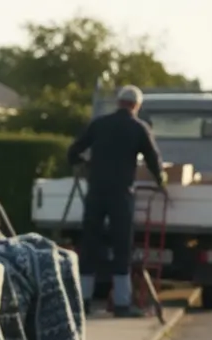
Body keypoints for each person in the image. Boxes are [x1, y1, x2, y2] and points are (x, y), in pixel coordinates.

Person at [67, 84, 166, 318]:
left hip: (96, 191)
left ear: (118, 102)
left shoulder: (99, 124)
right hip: (121, 194)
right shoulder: (138, 128)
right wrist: (161, 181)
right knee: (122, 246)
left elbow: (73, 152)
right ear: (136, 106)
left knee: (89, 244)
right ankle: (122, 304)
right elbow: (153, 160)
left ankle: (83, 301)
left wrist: (85, 163)